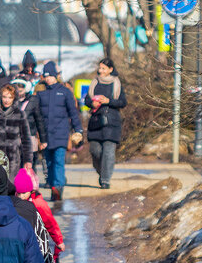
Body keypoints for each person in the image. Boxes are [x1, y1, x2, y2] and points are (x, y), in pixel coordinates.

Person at [33, 61, 83, 203]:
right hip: (45, 135)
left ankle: (58, 188)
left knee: (58, 161)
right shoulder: (40, 93)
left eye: (51, 76)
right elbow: (36, 114)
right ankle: (53, 185)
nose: (48, 79)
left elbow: (73, 113)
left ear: (56, 76)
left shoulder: (65, 92)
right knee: (48, 163)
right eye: (46, 76)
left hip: (61, 133)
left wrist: (77, 129)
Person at [85, 58, 127, 189]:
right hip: (96, 122)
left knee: (108, 152)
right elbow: (86, 99)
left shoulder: (116, 83)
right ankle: (102, 172)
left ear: (110, 70)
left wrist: (108, 101)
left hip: (112, 122)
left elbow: (122, 102)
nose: (100, 70)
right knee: (95, 151)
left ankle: (105, 180)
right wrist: (92, 103)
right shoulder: (94, 82)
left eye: (103, 68)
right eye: (100, 68)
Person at [14, 166, 64, 259]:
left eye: (24, 193)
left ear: (30, 190)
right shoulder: (14, 202)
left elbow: (50, 223)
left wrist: (59, 241)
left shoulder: (39, 204)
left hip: (37, 242)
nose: (21, 196)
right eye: (19, 193)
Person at [0, 84, 32, 175]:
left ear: (14, 98)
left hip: (13, 159)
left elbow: (26, 139)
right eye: (4, 97)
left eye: (10, 97)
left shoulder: (19, 114)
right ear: (0, 97)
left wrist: (28, 160)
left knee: (10, 186)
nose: (6, 100)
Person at [11, 78, 46, 174]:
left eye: (21, 86)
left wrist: (43, 140)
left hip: (30, 135)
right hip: (14, 136)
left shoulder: (33, 100)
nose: (19, 88)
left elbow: (39, 120)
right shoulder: (10, 101)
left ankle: (30, 185)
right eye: (16, 86)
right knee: (15, 162)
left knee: (30, 163)